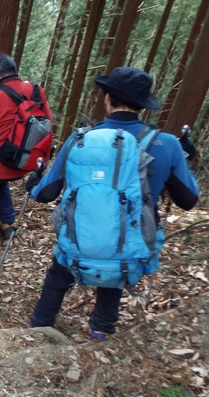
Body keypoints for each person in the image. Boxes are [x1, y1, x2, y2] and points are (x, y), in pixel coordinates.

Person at [26, 67, 199, 339]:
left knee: (59, 273)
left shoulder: (80, 140)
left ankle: (37, 330)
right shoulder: (167, 144)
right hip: (126, 253)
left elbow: (46, 193)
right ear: (143, 106)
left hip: (76, 246)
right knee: (120, 250)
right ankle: (101, 333)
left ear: (107, 98)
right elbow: (188, 200)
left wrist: (33, 184)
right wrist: (184, 158)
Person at [0, 53, 53, 247]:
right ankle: (9, 224)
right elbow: (47, 124)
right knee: (0, 184)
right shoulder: (35, 90)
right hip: (27, 160)